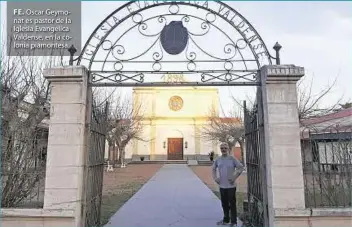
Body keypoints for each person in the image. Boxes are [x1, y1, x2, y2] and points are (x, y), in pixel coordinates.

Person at [212, 142, 244, 226]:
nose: (223, 150)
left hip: (231, 186)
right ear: (220, 149)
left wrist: (234, 177)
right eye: (222, 148)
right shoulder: (218, 159)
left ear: (228, 149)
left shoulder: (232, 159)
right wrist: (215, 178)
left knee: (232, 204)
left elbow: (240, 167)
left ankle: (234, 222)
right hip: (222, 186)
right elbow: (213, 169)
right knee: (224, 204)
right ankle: (226, 220)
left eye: (225, 148)